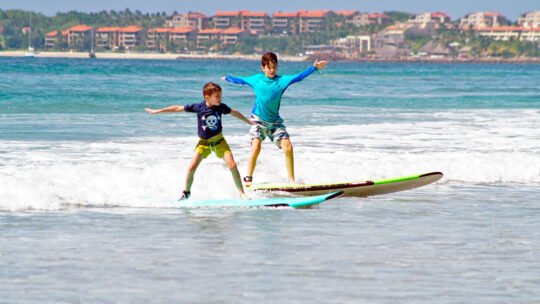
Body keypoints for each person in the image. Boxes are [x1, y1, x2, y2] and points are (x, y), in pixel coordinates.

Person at [223, 52, 328, 186]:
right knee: (256, 147)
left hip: (275, 123)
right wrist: (227, 77)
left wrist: (314, 68)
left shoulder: (281, 81)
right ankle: (248, 179)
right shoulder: (257, 79)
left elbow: (298, 77)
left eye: (274, 67)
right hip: (258, 121)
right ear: (263, 68)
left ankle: (291, 181)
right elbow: (241, 80)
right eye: (269, 67)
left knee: (288, 147)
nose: (272, 70)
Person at [145, 82, 253, 200]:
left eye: (220, 96)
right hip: (203, 144)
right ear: (207, 97)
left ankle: (241, 193)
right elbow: (178, 108)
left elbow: (234, 112)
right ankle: (186, 193)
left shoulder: (221, 107)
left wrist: (247, 121)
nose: (219, 98)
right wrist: (158, 111)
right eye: (216, 96)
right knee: (191, 168)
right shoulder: (199, 107)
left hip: (219, 142)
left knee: (232, 165)